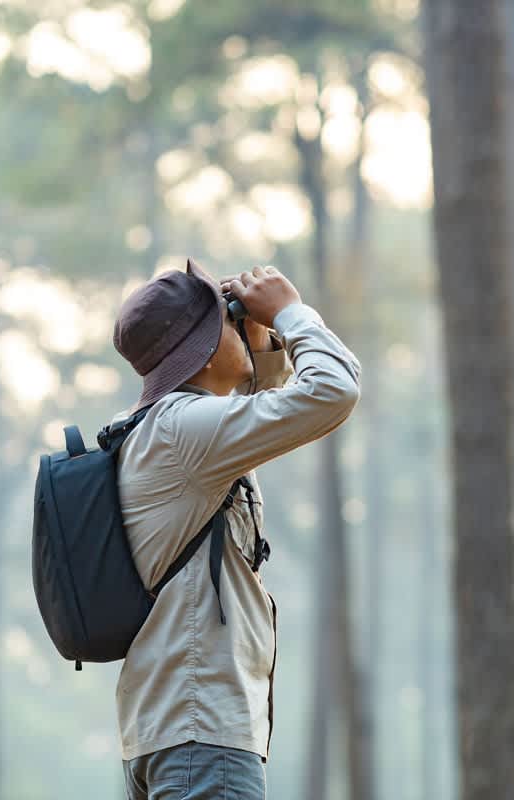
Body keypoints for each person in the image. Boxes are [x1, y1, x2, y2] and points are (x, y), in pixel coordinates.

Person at [110, 259, 361, 799]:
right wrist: (291, 313)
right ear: (198, 350)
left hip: (175, 729)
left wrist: (257, 342)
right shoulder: (185, 431)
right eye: (225, 321)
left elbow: (261, 411)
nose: (237, 322)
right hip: (202, 739)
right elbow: (333, 390)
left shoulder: (166, 429)